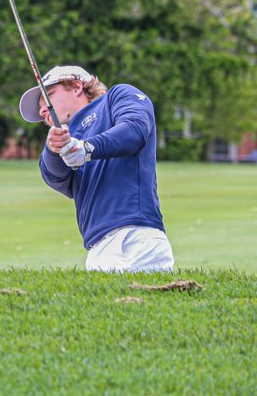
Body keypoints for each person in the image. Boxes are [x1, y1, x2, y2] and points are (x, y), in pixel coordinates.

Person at [19, 65, 174, 272]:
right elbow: (54, 177)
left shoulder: (116, 97)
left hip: (134, 236)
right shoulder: (67, 139)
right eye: (40, 108)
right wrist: (54, 147)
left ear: (76, 87)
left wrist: (87, 149)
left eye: (49, 95)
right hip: (96, 248)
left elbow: (135, 129)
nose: (42, 109)